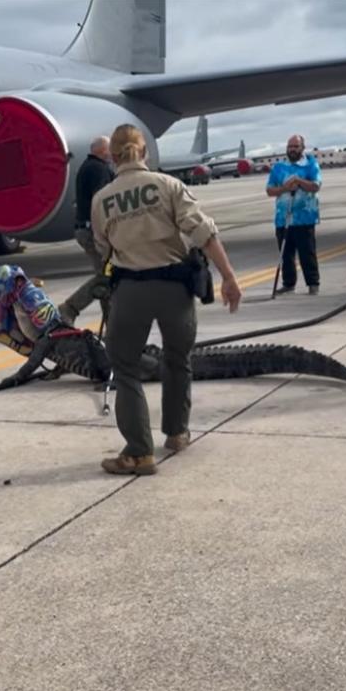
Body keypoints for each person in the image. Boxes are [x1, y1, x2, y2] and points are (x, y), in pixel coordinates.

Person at [91, 123, 242, 476]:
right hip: (175, 289)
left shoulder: (102, 199)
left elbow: (103, 248)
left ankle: (139, 452)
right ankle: (176, 433)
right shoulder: (170, 186)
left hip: (131, 291)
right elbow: (203, 232)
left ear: (112, 157)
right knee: (178, 360)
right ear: (144, 153)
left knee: (125, 367)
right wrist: (229, 278)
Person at [59, 136, 115, 326]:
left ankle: (112, 323)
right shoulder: (99, 169)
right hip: (93, 231)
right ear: (101, 151)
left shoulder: (87, 167)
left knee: (108, 277)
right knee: (107, 276)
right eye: (109, 150)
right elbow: (102, 202)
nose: (112, 154)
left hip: (85, 229)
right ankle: (70, 308)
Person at [265, 135, 322, 295]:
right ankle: (288, 283)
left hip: (304, 217)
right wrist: (284, 188)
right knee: (286, 254)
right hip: (283, 218)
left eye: (296, 146)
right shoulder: (279, 167)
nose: (292, 149)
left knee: (307, 253)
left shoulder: (310, 165)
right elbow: (270, 190)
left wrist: (299, 181)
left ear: (302, 148)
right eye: (290, 146)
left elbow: (316, 186)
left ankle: (313, 283)